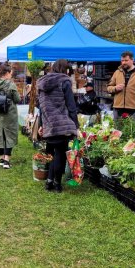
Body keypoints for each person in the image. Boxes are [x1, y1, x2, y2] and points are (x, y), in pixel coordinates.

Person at [37, 59, 80, 192]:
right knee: (60, 153)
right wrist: (76, 126)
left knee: (51, 152)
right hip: (62, 123)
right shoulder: (65, 81)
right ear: (65, 69)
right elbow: (71, 105)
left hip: (49, 123)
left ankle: (49, 182)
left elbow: (41, 106)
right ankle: (57, 183)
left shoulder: (42, 82)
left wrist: (41, 124)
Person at [0, 64, 20, 169]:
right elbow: (17, 99)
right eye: (10, 73)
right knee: (9, 135)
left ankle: (1, 158)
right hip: (9, 113)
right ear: (7, 73)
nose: (11, 75)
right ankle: (7, 160)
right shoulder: (11, 85)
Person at [106, 51, 135, 123]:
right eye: (122, 60)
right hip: (118, 108)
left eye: (126, 60)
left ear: (132, 60)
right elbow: (108, 88)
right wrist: (115, 88)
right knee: (117, 132)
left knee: (132, 132)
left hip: (134, 109)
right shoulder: (117, 72)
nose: (123, 62)